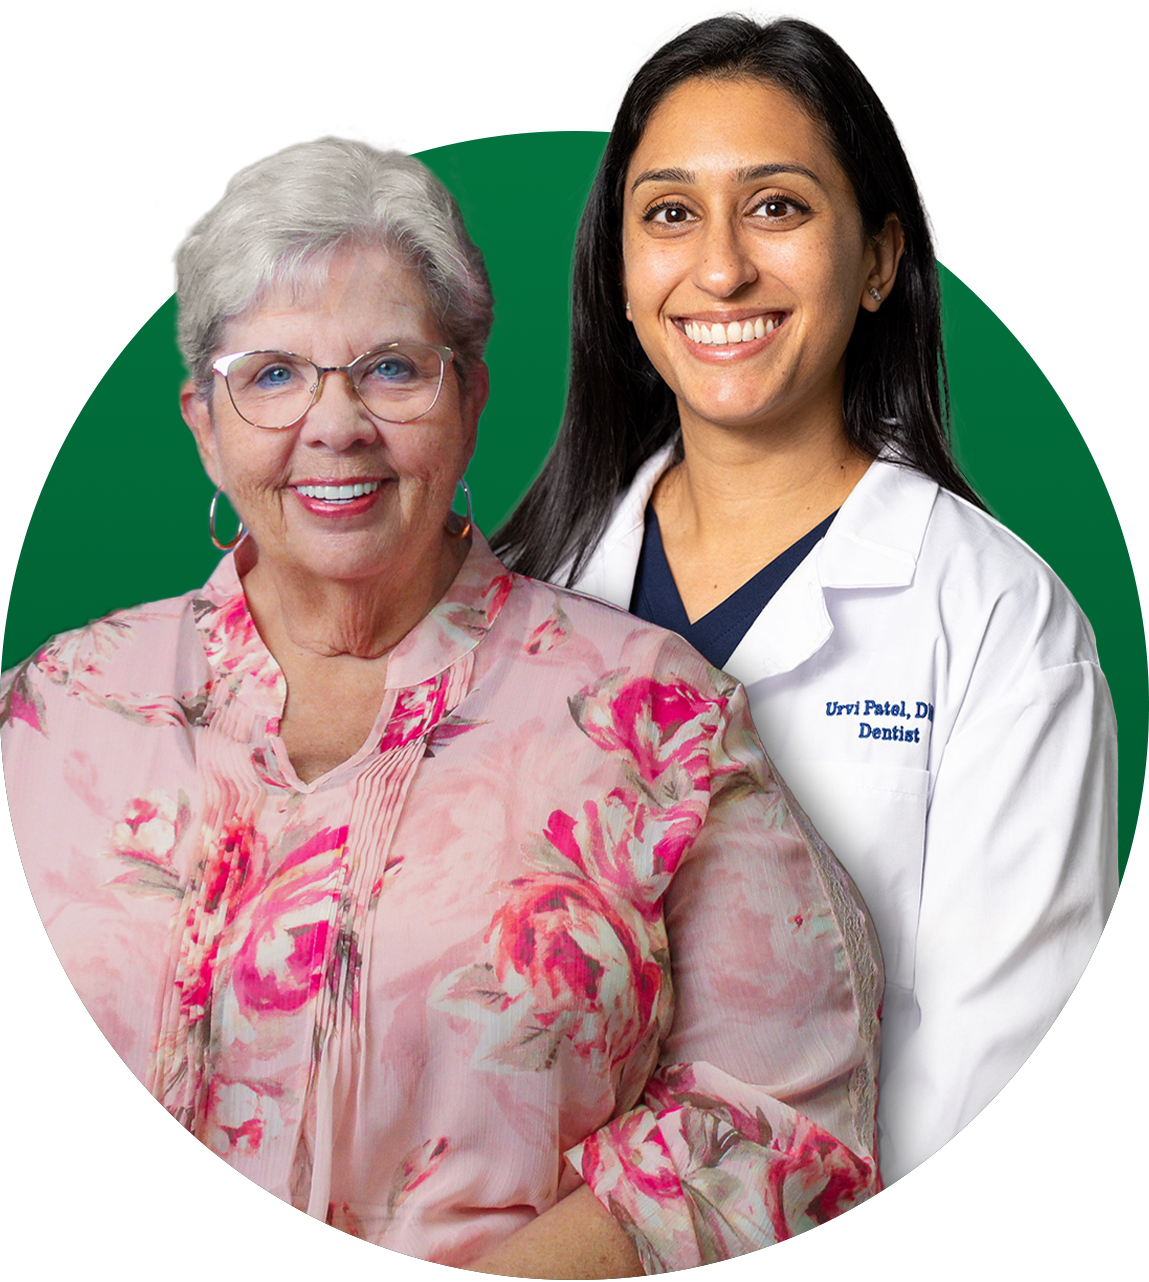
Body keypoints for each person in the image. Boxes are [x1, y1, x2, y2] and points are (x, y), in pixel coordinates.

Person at [0, 134, 883, 1276]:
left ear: (469, 397)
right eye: (272, 374)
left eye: (390, 369)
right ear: (200, 425)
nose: (336, 426)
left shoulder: (657, 716)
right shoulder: (53, 709)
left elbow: (778, 1126)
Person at [494, 8, 1118, 1185]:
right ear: (621, 274)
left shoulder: (998, 622)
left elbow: (985, 1087)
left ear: (879, 259)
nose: (720, 266)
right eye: (670, 213)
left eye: (777, 206)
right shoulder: (524, 590)